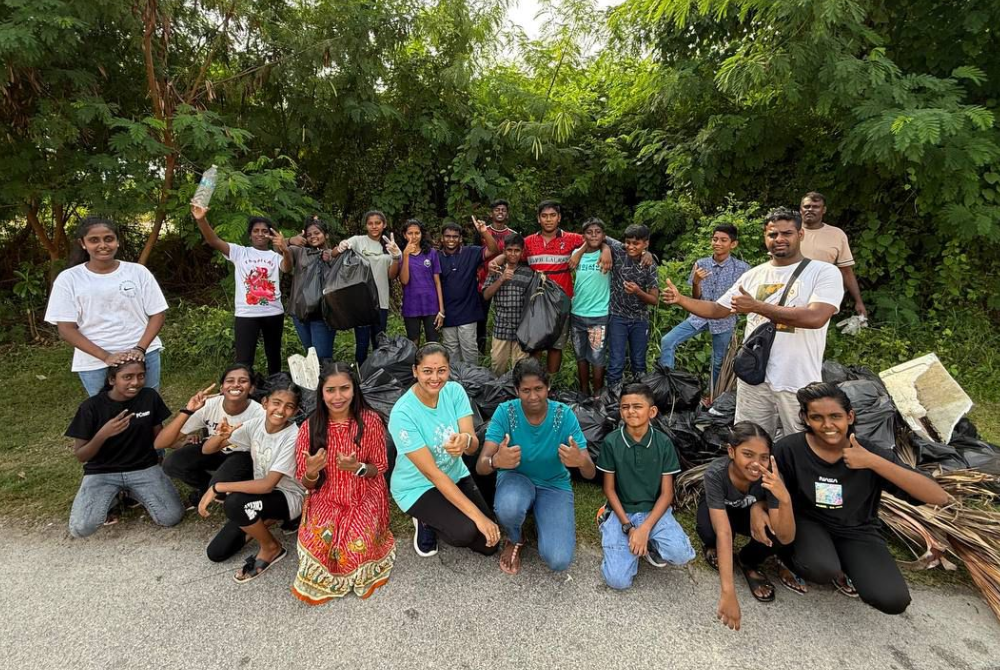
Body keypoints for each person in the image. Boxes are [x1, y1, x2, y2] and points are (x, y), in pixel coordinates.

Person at [661, 208, 843, 438]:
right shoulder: (755, 275)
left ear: (801, 234)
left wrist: (757, 306)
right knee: (751, 442)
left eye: (787, 233)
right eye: (772, 234)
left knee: (801, 443)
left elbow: (816, 317)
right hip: (754, 378)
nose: (779, 239)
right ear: (765, 237)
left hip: (797, 380)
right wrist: (681, 300)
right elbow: (718, 309)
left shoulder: (823, 272)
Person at [773, 382, 949, 615]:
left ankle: (847, 566)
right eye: (817, 417)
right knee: (820, 568)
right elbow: (768, 493)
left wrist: (872, 462)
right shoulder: (789, 449)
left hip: (857, 529)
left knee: (893, 599)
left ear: (850, 416)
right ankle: (789, 559)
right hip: (808, 523)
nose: (827, 425)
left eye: (835, 416)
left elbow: (938, 496)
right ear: (805, 418)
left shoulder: (870, 452)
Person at [477, 359, 594, 574]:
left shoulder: (563, 415)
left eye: (539, 389)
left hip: (553, 484)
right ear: (516, 390)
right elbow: (481, 466)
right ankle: (515, 537)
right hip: (516, 478)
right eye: (526, 390)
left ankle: (544, 519)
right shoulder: (506, 412)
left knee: (558, 560)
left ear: (548, 386)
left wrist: (581, 461)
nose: (533, 397)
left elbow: (590, 472)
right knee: (509, 507)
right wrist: (496, 461)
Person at [293, 363, 395, 604]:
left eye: (344, 389)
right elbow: (307, 483)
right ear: (321, 392)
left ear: (354, 389)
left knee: (354, 550)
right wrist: (311, 471)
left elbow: (379, 467)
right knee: (319, 547)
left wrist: (357, 468)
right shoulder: (310, 427)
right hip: (326, 495)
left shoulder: (370, 421)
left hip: (365, 494)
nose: (338, 397)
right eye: (330, 390)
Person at [387, 343, 501, 558]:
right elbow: (433, 474)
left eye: (442, 371)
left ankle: (445, 514)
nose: (435, 378)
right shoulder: (403, 413)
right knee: (466, 532)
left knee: (489, 545)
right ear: (415, 371)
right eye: (427, 371)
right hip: (418, 485)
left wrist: (465, 441)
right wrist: (478, 517)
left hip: (454, 473)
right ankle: (424, 519)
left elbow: (473, 445)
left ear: (449, 369)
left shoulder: (454, 391)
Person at [197, 377, 306, 582]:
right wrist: (220, 437)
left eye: (289, 406)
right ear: (265, 403)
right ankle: (263, 519)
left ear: (296, 411)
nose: (281, 410)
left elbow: (267, 485)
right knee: (217, 552)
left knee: (235, 502)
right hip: (263, 497)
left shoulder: (293, 436)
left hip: (289, 498)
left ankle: (272, 547)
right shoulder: (255, 425)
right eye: (276, 403)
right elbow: (207, 450)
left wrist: (218, 487)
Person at [44, 217, 168, 397]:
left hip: (143, 355)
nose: (103, 245)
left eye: (108, 239)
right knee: (107, 418)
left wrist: (139, 349)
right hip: (95, 362)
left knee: (148, 410)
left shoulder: (137, 272)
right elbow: (66, 328)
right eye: (94, 240)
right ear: (83, 244)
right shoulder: (68, 279)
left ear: (117, 241)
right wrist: (106, 357)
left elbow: (158, 313)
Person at [65, 360, 184, 538]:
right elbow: (81, 455)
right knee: (81, 528)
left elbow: (159, 438)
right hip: (102, 473)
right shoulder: (91, 407)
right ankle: (113, 497)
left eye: (140, 376)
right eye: (127, 377)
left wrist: (185, 442)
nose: (135, 382)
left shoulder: (149, 397)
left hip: (144, 468)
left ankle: (133, 492)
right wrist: (103, 434)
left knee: (171, 517)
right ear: (112, 379)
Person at [696, 422, 797, 631]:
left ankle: (749, 561)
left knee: (774, 531)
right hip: (720, 512)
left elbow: (786, 537)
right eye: (748, 454)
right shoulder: (716, 473)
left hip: (745, 513)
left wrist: (784, 499)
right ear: (731, 451)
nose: (756, 464)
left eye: (763, 457)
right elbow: (723, 531)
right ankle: (712, 548)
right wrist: (728, 592)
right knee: (712, 533)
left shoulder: (771, 477)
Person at [596, 383, 696, 589]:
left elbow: (667, 494)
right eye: (625, 407)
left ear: (652, 412)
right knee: (617, 581)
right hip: (621, 512)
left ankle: (647, 543)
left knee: (681, 554)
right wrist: (628, 526)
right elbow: (609, 489)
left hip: (654, 511)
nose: (630, 411)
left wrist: (645, 528)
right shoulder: (611, 442)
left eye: (637, 406)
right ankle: (606, 522)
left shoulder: (663, 443)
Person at [192, 204, 285, 375]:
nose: (260, 234)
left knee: (274, 355)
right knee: (243, 360)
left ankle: (275, 389)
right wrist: (201, 220)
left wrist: (284, 249)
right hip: (246, 314)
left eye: (265, 231)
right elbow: (214, 241)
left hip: (273, 312)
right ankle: (244, 391)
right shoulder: (239, 252)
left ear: (271, 235)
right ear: (250, 235)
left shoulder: (275, 256)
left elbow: (287, 267)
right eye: (256, 230)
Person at [157, 364, 264, 509]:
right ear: (221, 388)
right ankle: (207, 488)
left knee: (219, 487)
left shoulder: (259, 414)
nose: (236, 384)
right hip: (214, 448)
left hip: (243, 456)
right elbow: (160, 443)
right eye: (230, 381)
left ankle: (225, 490)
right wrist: (188, 411)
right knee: (172, 463)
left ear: (251, 388)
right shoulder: (209, 405)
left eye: (243, 381)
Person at [522, 201, 610, 374]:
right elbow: (512, 253)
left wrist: (605, 249)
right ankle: (536, 380)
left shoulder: (571, 239)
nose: (548, 220)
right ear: (538, 219)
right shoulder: (528, 242)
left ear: (559, 218)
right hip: (537, 301)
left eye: (553, 215)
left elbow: (597, 238)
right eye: (544, 216)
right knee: (535, 345)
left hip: (562, 302)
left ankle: (551, 383)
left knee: (556, 345)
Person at [659, 224, 750, 387]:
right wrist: (696, 282)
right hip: (699, 316)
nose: (718, 243)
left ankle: (713, 396)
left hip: (724, 320)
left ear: (733, 244)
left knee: (718, 362)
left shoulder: (742, 269)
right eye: (715, 239)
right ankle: (667, 386)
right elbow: (696, 298)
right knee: (668, 341)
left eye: (723, 240)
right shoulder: (701, 263)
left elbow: (744, 299)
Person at [331, 210, 402, 364]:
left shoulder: (389, 245)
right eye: (370, 223)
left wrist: (396, 257)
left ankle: (378, 377)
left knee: (379, 343)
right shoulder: (358, 241)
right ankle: (360, 378)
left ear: (384, 225)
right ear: (366, 226)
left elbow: (391, 275)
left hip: (381, 301)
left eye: (378, 223)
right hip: (360, 302)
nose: (374, 226)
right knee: (362, 344)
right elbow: (334, 254)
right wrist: (341, 246)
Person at [438, 220, 499, 364]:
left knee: (469, 349)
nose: (451, 240)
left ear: (460, 238)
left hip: (468, 311)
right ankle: (454, 383)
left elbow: (493, 249)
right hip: (447, 313)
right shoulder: (436, 256)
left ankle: (472, 382)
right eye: (447, 236)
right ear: (442, 238)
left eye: (455, 237)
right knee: (450, 350)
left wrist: (484, 231)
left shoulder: (471, 252)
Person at [606, 224, 659, 387]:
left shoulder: (650, 265)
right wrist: (606, 251)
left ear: (646, 244)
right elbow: (599, 236)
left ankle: (639, 396)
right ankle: (613, 396)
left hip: (639, 319)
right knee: (616, 361)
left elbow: (654, 299)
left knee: (639, 362)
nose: (630, 246)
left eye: (636, 244)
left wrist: (637, 291)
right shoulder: (619, 250)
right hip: (617, 316)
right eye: (628, 242)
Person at [800, 192, 867, 318]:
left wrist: (858, 301)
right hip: (792, 290)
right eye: (807, 206)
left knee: (816, 329)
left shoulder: (837, 234)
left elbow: (846, 270)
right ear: (800, 209)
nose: (810, 210)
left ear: (823, 210)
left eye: (815, 206)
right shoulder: (788, 232)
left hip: (821, 294)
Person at [281, 216, 337, 360]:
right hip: (299, 312)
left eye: (317, 233)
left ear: (326, 234)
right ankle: (315, 381)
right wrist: (290, 240)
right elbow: (279, 247)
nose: (313, 237)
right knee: (311, 355)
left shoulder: (333, 254)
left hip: (323, 314)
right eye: (309, 234)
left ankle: (328, 381)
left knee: (322, 357)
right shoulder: (299, 252)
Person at [568, 218, 612, 396]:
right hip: (577, 313)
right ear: (583, 235)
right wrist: (582, 249)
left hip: (599, 315)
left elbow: (631, 247)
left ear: (604, 235)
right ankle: (584, 392)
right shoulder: (576, 254)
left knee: (597, 358)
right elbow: (572, 262)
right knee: (580, 356)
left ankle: (598, 395)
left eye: (598, 232)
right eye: (589, 232)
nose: (594, 235)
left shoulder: (609, 254)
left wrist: (606, 248)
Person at [482, 234, 535, 375]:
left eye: (516, 250)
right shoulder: (495, 270)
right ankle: (499, 395)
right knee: (498, 365)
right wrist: (501, 279)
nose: (513, 254)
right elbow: (486, 295)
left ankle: (517, 394)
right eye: (509, 250)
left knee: (520, 368)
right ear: (504, 251)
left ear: (522, 252)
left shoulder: (528, 273)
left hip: (522, 328)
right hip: (501, 327)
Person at [476, 199, 517, 353]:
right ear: (491, 213)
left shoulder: (512, 234)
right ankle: (481, 351)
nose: (500, 212)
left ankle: (506, 349)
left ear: (507, 214)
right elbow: (475, 253)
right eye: (497, 210)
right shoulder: (482, 231)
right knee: (481, 317)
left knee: (506, 315)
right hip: (483, 280)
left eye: (503, 210)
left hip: (506, 280)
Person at [399, 218, 444, 346]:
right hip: (411, 305)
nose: (414, 236)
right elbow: (404, 280)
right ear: (404, 235)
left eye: (417, 233)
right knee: (413, 344)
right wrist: (406, 255)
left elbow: (437, 282)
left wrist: (441, 310)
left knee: (433, 344)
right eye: (410, 233)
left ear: (422, 234)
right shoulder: (401, 255)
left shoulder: (431, 253)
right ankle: (415, 366)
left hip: (431, 305)